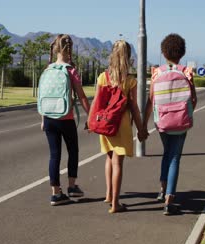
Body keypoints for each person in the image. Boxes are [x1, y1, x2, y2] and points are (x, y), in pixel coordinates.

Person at [89, 40, 148, 213]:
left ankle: (108, 194)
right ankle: (115, 204)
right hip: (121, 126)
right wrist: (141, 129)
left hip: (105, 124)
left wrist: (90, 121)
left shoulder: (103, 77)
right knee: (118, 163)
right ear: (128, 57)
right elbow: (135, 108)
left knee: (109, 158)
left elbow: (97, 102)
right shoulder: (130, 81)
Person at [143, 34, 197, 215]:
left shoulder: (157, 72)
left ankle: (162, 189)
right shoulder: (186, 72)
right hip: (181, 121)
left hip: (163, 121)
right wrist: (186, 113)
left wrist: (143, 125)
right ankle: (169, 199)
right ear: (182, 52)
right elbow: (193, 98)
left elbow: (151, 101)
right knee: (175, 157)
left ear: (163, 52)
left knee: (167, 154)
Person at [41, 34, 90, 206]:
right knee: (73, 151)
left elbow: (42, 96)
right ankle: (71, 186)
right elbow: (82, 97)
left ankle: (55, 193)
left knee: (54, 155)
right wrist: (90, 117)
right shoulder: (70, 71)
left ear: (55, 50)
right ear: (69, 50)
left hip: (48, 117)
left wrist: (42, 119)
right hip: (66, 118)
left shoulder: (48, 69)